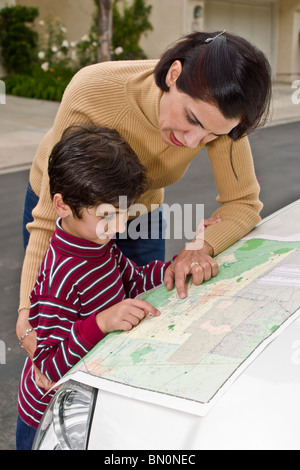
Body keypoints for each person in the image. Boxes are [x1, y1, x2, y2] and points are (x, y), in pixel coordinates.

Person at [17, 31, 272, 370]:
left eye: (213, 136)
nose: (194, 140)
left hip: (140, 210)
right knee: (63, 348)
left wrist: (200, 247)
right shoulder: (93, 89)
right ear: (173, 74)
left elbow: (243, 203)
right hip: (71, 210)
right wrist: (27, 315)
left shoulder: (223, 112)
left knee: (133, 336)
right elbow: (51, 216)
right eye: (192, 120)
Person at [16, 125, 172, 449]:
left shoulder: (97, 243)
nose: (117, 227)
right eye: (106, 216)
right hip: (50, 420)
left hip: (86, 401)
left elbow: (132, 280)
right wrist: (102, 322)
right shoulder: (59, 275)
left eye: (124, 214)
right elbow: (49, 364)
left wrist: (173, 271)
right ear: (61, 205)